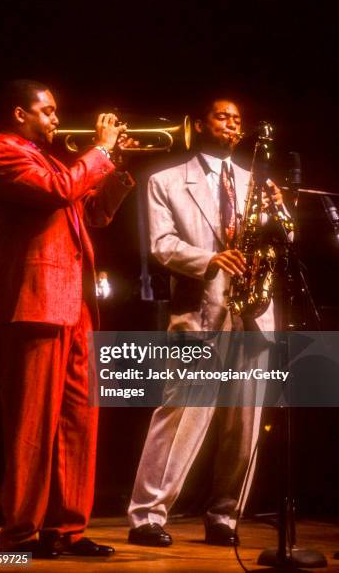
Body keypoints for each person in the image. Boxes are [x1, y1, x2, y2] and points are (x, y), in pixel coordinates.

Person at [0, 79, 134, 558]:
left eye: (54, 110)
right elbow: (60, 189)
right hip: (36, 303)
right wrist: (99, 150)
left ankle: (65, 530)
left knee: (78, 422)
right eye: (46, 111)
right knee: (32, 426)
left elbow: (96, 215)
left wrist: (115, 166)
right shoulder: (4, 156)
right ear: (19, 113)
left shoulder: (49, 158)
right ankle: (19, 536)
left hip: (75, 305)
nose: (54, 118)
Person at [127, 98, 284, 547]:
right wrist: (210, 258)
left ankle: (224, 517)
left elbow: (282, 243)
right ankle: (147, 516)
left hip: (253, 314)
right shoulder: (166, 180)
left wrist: (279, 216)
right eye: (222, 116)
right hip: (201, 311)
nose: (232, 124)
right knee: (181, 416)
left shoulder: (258, 183)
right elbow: (161, 244)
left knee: (244, 424)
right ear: (200, 124)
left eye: (238, 118)